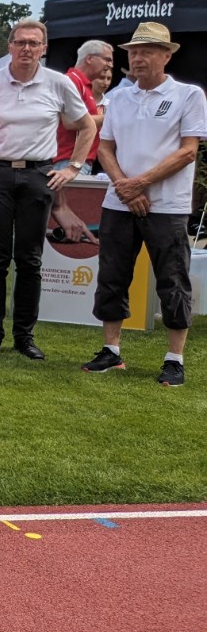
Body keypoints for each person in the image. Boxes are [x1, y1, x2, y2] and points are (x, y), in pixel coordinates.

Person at [0, 19, 95, 359]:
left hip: (37, 176)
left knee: (30, 260)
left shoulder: (58, 83)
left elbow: (87, 126)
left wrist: (73, 167)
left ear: (44, 48)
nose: (27, 48)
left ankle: (24, 337)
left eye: (33, 43)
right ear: (10, 46)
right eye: (20, 42)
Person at [80, 22, 206, 386]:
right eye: (134, 52)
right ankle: (111, 350)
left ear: (167, 56)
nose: (138, 58)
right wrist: (126, 187)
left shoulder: (188, 95)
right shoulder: (118, 98)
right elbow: (105, 148)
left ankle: (174, 358)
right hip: (119, 202)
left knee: (173, 278)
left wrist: (139, 184)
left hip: (167, 205)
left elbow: (188, 151)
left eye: (147, 51)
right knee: (112, 275)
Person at [55, 39, 113, 170]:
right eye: (107, 60)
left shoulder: (82, 84)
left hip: (76, 161)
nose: (110, 65)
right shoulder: (72, 80)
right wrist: (111, 116)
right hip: (69, 161)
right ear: (90, 59)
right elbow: (71, 122)